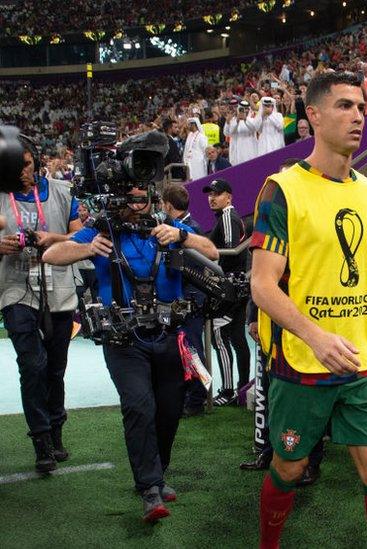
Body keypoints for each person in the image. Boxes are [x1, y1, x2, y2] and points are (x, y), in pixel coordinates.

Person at [250, 71, 367, 548]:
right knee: (291, 465)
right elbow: (261, 285)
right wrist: (316, 337)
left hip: (360, 359)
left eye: (362, 107)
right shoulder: (282, 190)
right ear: (314, 116)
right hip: (302, 361)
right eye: (344, 106)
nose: (358, 116)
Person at [44, 184, 218, 522]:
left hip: (168, 336)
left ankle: (158, 471)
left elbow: (210, 251)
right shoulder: (103, 231)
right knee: (140, 406)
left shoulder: (166, 227)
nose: (139, 206)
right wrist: (86, 248)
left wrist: (183, 238)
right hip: (123, 340)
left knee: (169, 410)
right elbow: (52, 255)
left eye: (145, 199)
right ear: (121, 201)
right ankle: (150, 487)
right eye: (133, 199)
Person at [240, 157, 326, 488]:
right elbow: (259, 278)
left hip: (305, 331)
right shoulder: (270, 217)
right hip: (270, 330)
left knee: (308, 402)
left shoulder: (314, 229)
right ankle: (269, 451)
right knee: (270, 392)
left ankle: (309, 463)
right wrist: (252, 317)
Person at [0, 135, 82, 473]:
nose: (22, 172)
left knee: (55, 368)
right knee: (31, 366)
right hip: (15, 290)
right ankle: (42, 439)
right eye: (15, 166)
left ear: (37, 160)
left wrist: (55, 238)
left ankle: (57, 430)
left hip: (59, 289)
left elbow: (82, 237)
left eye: (27, 164)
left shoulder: (63, 192)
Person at [159, 184, 207, 418]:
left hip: (191, 297)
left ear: (168, 205)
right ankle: (192, 395)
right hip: (186, 296)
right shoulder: (188, 226)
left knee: (192, 349)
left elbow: (196, 266)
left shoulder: (190, 230)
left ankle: (197, 398)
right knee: (185, 348)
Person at [202, 178, 250, 406]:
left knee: (219, 334)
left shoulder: (228, 216)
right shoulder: (226, 216)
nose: (212, 197)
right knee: (238, 339)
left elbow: (229, 250)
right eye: (210, 193)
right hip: (236, 286)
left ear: (228, 197)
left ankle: (230, 390)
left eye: (217, 193)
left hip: (231, 287)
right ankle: (240, 389)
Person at [224, 99, 259, 166]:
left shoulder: (252, 119)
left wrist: (245, 119)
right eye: (243, 109)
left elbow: (254, 129)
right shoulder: (233, 119)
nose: (245, 111)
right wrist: (228, 122)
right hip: (236, 149)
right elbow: (227, 133)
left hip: (249, 149)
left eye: (247, 109)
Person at [182, 118, 208, 182]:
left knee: (199, 179)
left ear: (193, 125)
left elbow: (205, 150)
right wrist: (184, 160)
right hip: (189, 163)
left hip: (199, 163)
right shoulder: (189, 135)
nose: (188, 126)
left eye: (189, 124)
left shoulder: (201, 136)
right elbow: (186, 149)